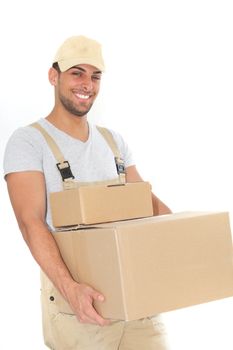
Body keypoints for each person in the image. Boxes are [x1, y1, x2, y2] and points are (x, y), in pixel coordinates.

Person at [3, 35, 171, 349]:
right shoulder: (29, 141)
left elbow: (146, 204)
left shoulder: (113, 142)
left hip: (138, 301)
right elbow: (31, 223)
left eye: (95, 76)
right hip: (79, 309)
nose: (87, 84)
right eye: (77, 73)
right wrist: (70, 289)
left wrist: (183, 240)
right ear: (54, 76)